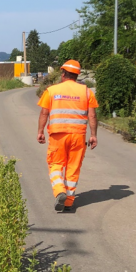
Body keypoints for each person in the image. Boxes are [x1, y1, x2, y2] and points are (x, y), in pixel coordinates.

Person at [37, 60, 98, 212]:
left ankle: (59, 191)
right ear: (77, 75)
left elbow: (44, 113)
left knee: (56, 165)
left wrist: (40, 131)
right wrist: (94, 135)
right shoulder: (86, 92)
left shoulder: (52, 90)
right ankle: (69, 202)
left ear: (63, 74)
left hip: (58, 135)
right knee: (73, 168)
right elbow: (92, 116)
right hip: (78, 136)